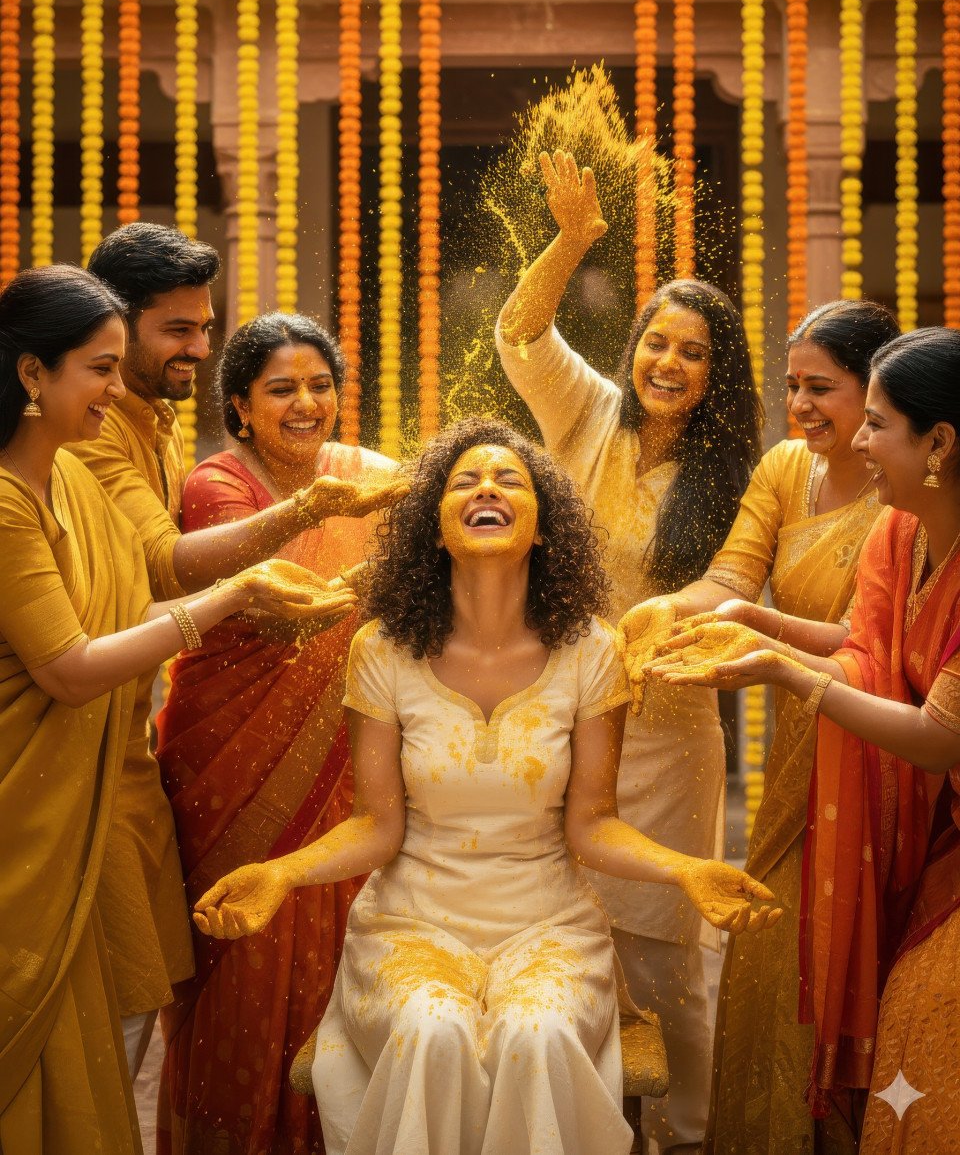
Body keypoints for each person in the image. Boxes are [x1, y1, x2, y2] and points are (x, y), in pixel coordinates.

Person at [192, 417, 781, 1155]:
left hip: (549, 930)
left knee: (537, 1037)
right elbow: (377, 827)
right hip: (411, 927)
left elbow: (591, 826)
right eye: (464, 481)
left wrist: (690, 870)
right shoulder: (382, 650)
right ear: (435, 531)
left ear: (543, 528)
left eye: (510, 479)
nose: (487, 488)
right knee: (429, 1033)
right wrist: (279, 875)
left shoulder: (592, 651)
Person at [0, 265, 358, 1155]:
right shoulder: (13, 502)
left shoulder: (75, 479)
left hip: (111, 782)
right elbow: (73, 667)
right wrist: (234, 598)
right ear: (31, 375)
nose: (116, 390)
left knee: (116, 1021)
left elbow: (136, 603)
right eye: (100, 369)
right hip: (33, 806)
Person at [69, 222, 403, 1075]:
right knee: (150, 974)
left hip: (134, 730)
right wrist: (309, 512)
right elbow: (169, 566)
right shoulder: (142, 444)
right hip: (112, 729)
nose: (196, 346)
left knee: (146, 973)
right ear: (242, 410)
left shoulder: (155, 422)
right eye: (177, 331)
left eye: (204, 329)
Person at [495, 150, 763, 1151]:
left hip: (664, 732)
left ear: (715, 371)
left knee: (662, 962)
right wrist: (571, 243)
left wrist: (652, 628)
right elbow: (521, 332)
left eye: (693, 352)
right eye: (658, 340)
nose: (667, 363)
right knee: (564, 947)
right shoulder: (586, 413)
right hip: (553, 721)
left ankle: (686, 1134)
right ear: (635, 345)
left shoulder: (738, 472)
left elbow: (731, 592)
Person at [641, 328, 960, 1153]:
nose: (851, 437)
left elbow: (936, 736)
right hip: (875, 798)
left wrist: (783, 673)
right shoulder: (901, 530)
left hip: (926, 807)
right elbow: (861, 646)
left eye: (873, 419)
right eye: (793, 387)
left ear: (939, 443)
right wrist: (749, 621)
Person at [155, 312, 398, 1155]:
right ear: (241, 405)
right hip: (230, 761)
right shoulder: (217, 487)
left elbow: (426, 504)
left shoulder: (360, 475)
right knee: (240, 957)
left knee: (337, 944)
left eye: (320, 386)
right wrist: (348, 534)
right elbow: (283, 614)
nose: (306, 405)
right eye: (282, 390)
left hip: (338, 758)